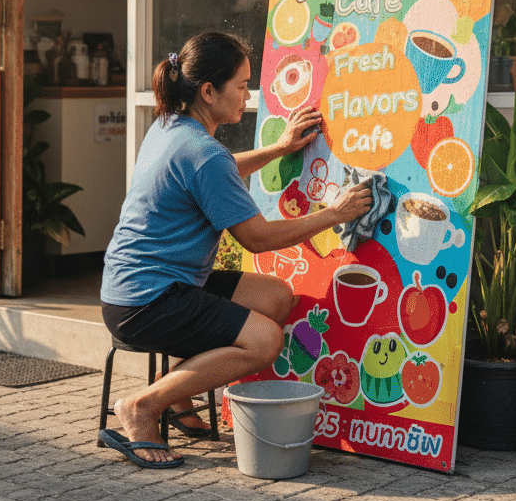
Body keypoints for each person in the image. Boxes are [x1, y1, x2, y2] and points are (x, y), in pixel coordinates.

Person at [99, 30, 373, 467]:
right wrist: (332, 215)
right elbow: (257, 238)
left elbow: (218, 172)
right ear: (208, 91)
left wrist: (278, 149)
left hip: (142, 287)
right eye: (242, 86)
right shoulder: (201, 152)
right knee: (265, 341)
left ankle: (175, 391)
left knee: (276, 296)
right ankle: (143, 406)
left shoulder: (172, 127)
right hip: (147, 302)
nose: (249, 95)